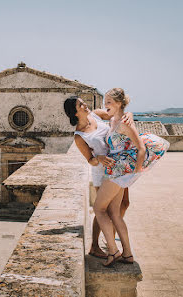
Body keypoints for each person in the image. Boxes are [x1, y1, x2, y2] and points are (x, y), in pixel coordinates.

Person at [94, 88, 169, 267]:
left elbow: (141, 148)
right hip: (117, 170)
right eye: (105, 102)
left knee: (98, 208)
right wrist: (129, 112)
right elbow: (94, 113)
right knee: (114, 213)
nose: (105, 105)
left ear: (119, 103)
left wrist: (136, 171)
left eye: (109, 102)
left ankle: (113, 251)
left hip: (118, 171)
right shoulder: (114, 118)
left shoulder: (125, 123)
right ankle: (127, 254)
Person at [63, 96, 131, 259]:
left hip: (118, 165)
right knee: (105, 210)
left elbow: (117, 114)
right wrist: (99, 159)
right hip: (102, 172)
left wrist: (130, 115)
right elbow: (90, 160)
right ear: (75, 112)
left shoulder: (96, 114)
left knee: (124, 204)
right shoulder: (79, 136)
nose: (85, 104)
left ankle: (109, 240)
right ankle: (96, 245)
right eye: (81, 104)